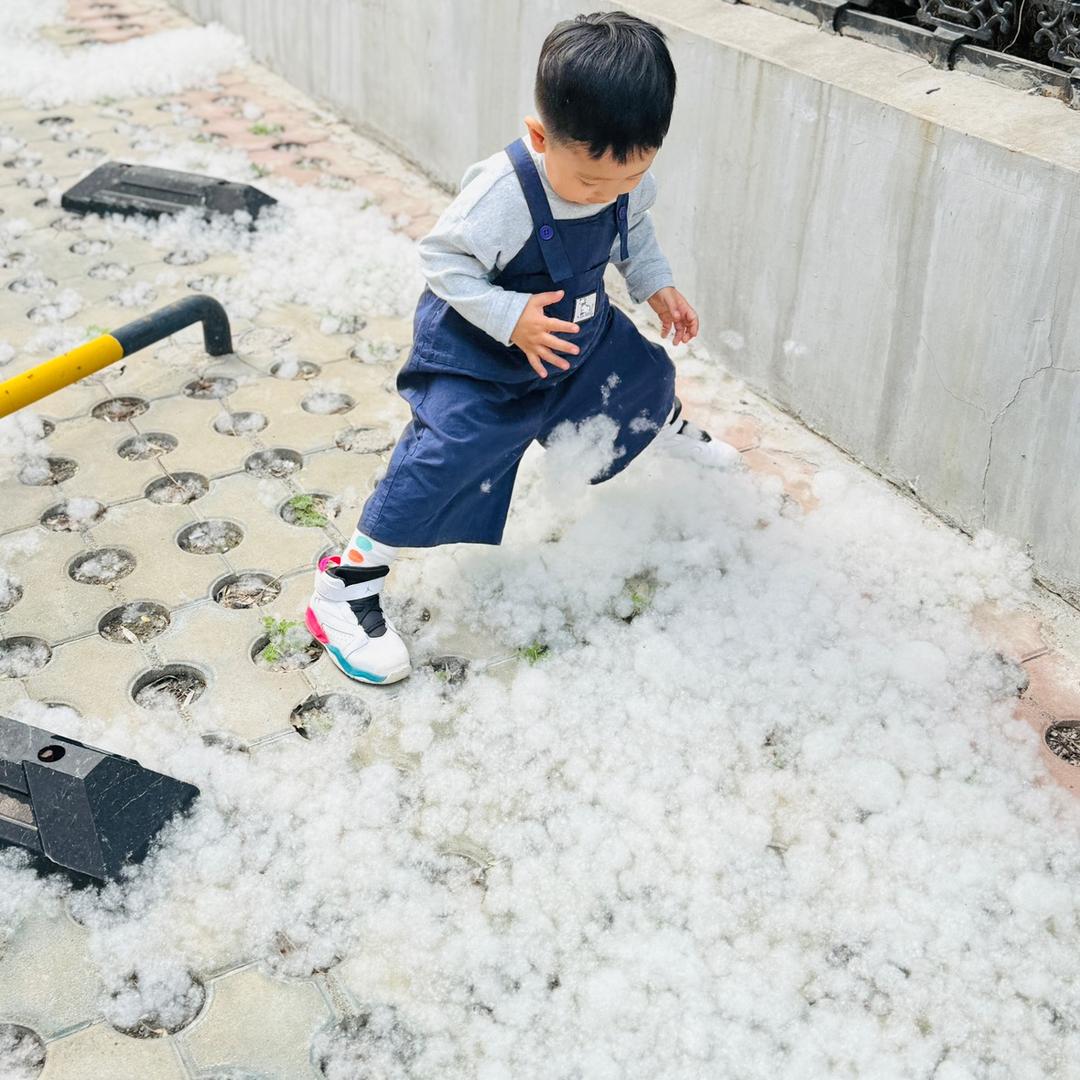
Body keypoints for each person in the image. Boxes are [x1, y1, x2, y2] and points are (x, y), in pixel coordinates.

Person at [305, 10, 739, 685]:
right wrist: (510, 318)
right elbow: (441, 261)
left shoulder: (624, 176)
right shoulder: (502, 195)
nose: (610, 194)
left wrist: (657, 286)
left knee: (639, 374)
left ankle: (662, 426)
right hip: (483, 355)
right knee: (447, 455)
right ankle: (347, 588)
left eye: (629, 178)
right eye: (593, 184)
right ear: (540, 136)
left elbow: (634, 231)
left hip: (576, 335)